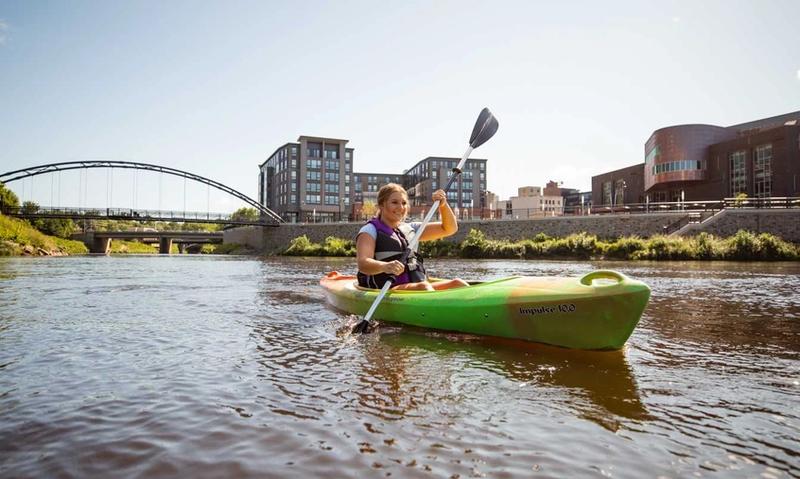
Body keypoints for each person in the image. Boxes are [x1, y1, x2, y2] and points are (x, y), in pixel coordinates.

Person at [356, 183, 469, 291]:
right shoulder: (370, 230)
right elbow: (363, 263)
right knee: (424, 287)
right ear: (381, 205)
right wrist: (385, 266)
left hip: (416, 285)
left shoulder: (412, 228)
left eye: (404, 203)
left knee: (458, 283)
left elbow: (449, 229)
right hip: (387, 288)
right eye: (394, 202)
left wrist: (443, 205)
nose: (400, 207)